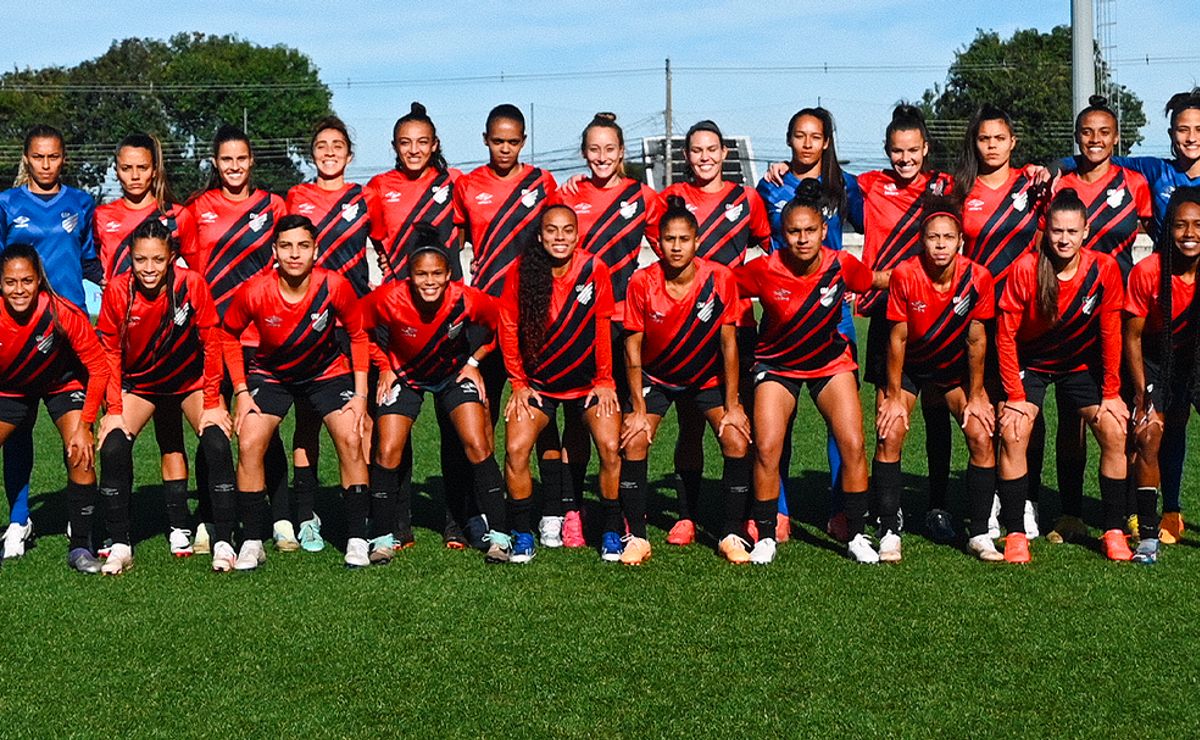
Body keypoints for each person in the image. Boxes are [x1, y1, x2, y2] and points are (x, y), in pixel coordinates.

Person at [1059, 88, 1200, 543]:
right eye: (1183, 129)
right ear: (1171, 133)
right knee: (1111, 415)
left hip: (1178, 313)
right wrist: (1054, 165)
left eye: (1198, 129)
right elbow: (1088, 156)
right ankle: (1079, 511)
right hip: (1127, 309)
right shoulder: (1152, 173)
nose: (1191, 137)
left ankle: (1167, 509)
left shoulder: (1139, 179)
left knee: (1167, 418)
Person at [735, 179, 886, 564]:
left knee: (853, 444)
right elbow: (719, 286)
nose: (802, 239)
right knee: (767, 448)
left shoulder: (841, 264)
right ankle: (766, 535)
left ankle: (856, 534)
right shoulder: (763, 270)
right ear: (781, 235)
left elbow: (875, 280)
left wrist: (922, 277)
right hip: (777, 365)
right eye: (793, 232)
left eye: (809, 231)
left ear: (824, 230)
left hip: (828, 364)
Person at [221, 215, 370, 571]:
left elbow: (359, 335)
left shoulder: (334, 286)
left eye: (303, 246)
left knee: (351, 437)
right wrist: (241, 391)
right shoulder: (256, 291)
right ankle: (253, 540)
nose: (294, 254)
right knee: (249, 441)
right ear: (274, 251)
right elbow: (228, 335)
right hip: (272, 374)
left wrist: (361, 396)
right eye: (286, 246)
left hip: (326, 373)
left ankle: (357, 538)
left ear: (315, 250)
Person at [363, 102, 481, 550]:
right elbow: (374, 241)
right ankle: (398, 522)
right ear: (395, 147)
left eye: (422, 142)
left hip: (449, 320)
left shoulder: (456, 185)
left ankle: (458, 520)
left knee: (456, 425)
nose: (414, 150)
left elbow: (478, 227)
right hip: (398, 323)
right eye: (405, 143)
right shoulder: (378, 189)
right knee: (395, 422)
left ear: (435, 145)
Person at [545, 112, 662, 548]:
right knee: (579, 422)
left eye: (609, 149)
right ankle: (572, 508)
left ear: (622, 152)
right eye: (593, 149)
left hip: (622, 326)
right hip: (574, 327)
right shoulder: (566, 194)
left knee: (625, 418)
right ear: (583, 153)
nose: (601, 157)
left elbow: (672, 244)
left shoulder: (643, 196)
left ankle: (627, 512)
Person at [362, 226, 511, 563]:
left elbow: (502, 321)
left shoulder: (466, 297)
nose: (429, 281)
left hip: (451, 376)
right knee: (387, 450)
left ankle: (500, 536)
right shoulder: (388, 297)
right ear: (409, 276)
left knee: (477, 443)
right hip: (406, 377)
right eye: (421, 274)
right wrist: (384, 364)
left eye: (436, 274)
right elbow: (357, 328)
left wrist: (474, 361)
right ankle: (384, 537)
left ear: (448, 275)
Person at [994, 189, 1129, 564]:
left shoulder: (1104, 269)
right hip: (1031, 361)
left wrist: (1112, 392)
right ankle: (1016, 533)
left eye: (1072, 231)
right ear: (1046, 231)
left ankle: (1114, 532)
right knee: (1014, 431)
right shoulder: (1025, 269)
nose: (1064, 239)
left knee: (1115, 429)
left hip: (1078, 364)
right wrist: (1015, 395)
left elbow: (1110, 334)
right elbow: (1005, 336)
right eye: (1056, 231)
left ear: (1086, 231)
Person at [94, 219, 236, 574]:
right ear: (130, 257)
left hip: (189, 383)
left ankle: (224, 541)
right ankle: (120, 543)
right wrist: (113, 410)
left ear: (171, 257)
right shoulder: (117, 290)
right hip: (141, 385)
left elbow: (211, 342)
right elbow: (109, 350)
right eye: (141, 260)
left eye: (157, 260)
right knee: (112, 446)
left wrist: (212, 401)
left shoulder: (192, 285)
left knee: (217, 443)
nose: (149, 269)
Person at [1046, 96, 1153, 545]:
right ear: (1077, 138)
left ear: (1116, 138)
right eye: (1087, 132)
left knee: (1124, 411)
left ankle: (1126, 511)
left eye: (1104, 132)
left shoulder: (1134, 184)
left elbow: (1162, 238)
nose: (1095, 140)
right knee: (1072, 416)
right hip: (1070, 314)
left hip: (1120, 311)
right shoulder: (1060, 183)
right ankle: (1069, 511)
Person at [619, 196, 748, 566]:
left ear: (697, 241)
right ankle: (638, 538)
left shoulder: (720, 278)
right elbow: (632, 349)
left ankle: (730, 533)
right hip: (656, 378)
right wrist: (638, 409)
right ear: (656, 242)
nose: (676, 247)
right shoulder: (642, 281)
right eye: (669, 240)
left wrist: (735, 404)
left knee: (736, 438)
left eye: (683, 239)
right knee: (634, 439)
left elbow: (729, 345)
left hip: (705, 378)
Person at [660, 119, 770, 546]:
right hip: (683, 330)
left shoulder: (747, 198)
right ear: (686, 156)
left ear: (725, 154)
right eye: (696, 151)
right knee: (690, 423)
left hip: (737, 324)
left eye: (712, 150)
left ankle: (739, 516)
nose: (704, 158)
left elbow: (766, 245)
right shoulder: (671, 199)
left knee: (737, 419)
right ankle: (686, 516)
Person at [874, 202, 1001, 562]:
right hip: (913, 367)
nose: (941, 245)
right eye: (933, 238)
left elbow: (977, 341)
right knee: (891, 429)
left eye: (948, 238)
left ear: (961, 241)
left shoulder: (978, 277)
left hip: (954, 371)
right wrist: (895, 396)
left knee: (980, 431)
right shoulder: (904, 274)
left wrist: (976, 395)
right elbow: (897, 339)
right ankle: (888, 531)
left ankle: (979, 533)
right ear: (922, 241)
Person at [759, 106, 864, 543]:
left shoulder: (845, 186)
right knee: (775, 422)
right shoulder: (770, 186)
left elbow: (879, 229)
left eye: (814, 136)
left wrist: (862, 282)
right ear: (788, 139)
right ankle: (778, 511)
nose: (806, 143)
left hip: (834, 316)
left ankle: (841, 510)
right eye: (798, 135)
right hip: (783, 315)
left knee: (842, 425)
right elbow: (754, 239)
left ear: (826, 142)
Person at [93, 132, 200, 558]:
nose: (134, 175)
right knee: (115, 436)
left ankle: (180, 524)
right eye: (126, 167)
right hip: (124, 345)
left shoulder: (178, 216)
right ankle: (115, 528)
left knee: (172, 436)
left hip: (172, 345)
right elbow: (91, 264)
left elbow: (193, 273)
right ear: (116, 170)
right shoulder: (101, 215)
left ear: (154, 169)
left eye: (142, 167)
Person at [184, 124, 290, 555]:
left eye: (241, 159)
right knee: (213, 424)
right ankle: (209, 517)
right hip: (210, 336)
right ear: (215, 163)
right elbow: (191, 273)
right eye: (226, 159)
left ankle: (280, 517)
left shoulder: (274, 205)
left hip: (259, 337)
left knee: (265, 427)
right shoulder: (197, 208)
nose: (234, 166)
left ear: (251, 161)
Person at [498, 205, 621, 563]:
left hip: (587, 386)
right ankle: (523, 532)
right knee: (517, 448)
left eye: (567, 230)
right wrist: (519, 383)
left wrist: (604, 380)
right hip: (538, 385)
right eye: (551, 230)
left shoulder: (594, 268)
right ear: (540, 235)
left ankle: (611, 529)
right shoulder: (521, 272)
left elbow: (602, 326)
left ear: (577, 234)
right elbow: (508, 328)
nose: (560, 237)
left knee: (610, 445)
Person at [857, 105, 956, 545]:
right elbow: (823, 174)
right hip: (887, 311)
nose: (905, 159)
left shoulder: (944, 187)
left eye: (913, 150)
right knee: (889, 414)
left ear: (926, 149)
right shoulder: (869, 184)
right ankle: (887, 515)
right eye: (897, 151)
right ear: (886, 151)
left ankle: (938, 506)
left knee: (936, 412)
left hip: (936, 310)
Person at [0, 125, 100, 560]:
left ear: (64, 158)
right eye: (38, 157)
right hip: (18, 336)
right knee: (17, 434)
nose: (45, 165)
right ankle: (19, 521)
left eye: (53, 157)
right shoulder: (6, 203)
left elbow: (93, 262)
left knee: (79, 441)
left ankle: (82, 535)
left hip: (65, 336)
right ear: (27, 158)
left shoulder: (81, 203)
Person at [953, 104, 1049, 540]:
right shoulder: (962, 190)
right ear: (975, 143)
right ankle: (991, 496)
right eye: (983, 138)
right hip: (978, 315)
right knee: (987, 407)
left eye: (999, 138)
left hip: (1027, 315)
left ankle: (1025, 498)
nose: (991, 146)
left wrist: (1051, 170)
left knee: (1028, 408)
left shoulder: (1032, 184)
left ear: (1013, 142)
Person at [285, 116, 371, 553]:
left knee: (358, 421)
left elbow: (392, 248)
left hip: (353, 324)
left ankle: (365, 515)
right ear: (312, 152)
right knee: (307, 423)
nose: (330, 152)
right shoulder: (296, 197)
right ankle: (306, 514)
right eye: (322, 145)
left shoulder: (365, 196)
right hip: (309, 325)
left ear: (349, 154)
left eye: (338, 145)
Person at [0, 244, 111, 573]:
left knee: (80, 451)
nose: (19, 289)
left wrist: (85, 425)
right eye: (10, 282)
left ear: (39, 281)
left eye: (27, 281)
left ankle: (81, 544)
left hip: (61, 384)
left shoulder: (62, 312)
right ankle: (18, 525)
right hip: (10, 390)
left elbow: (99, 368)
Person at [1123, 186, 1200, 563]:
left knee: (1179, 428)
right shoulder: (1148, 271)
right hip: (1154, 359)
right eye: (1181, 225)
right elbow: (1132, 336)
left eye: (1198, 225)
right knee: (1150, 434)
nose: (1190, 233)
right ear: (1167, 230)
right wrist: (1141, 395)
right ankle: (1148, 536)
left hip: (1193, 359)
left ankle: (1174, 510)